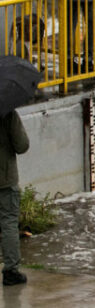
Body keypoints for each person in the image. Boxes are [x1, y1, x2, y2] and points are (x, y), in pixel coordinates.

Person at [0, 113, 29, 286]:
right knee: (8, 222)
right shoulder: (8, 112)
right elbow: (22, 145)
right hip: (5, 179)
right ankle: (10, 271)